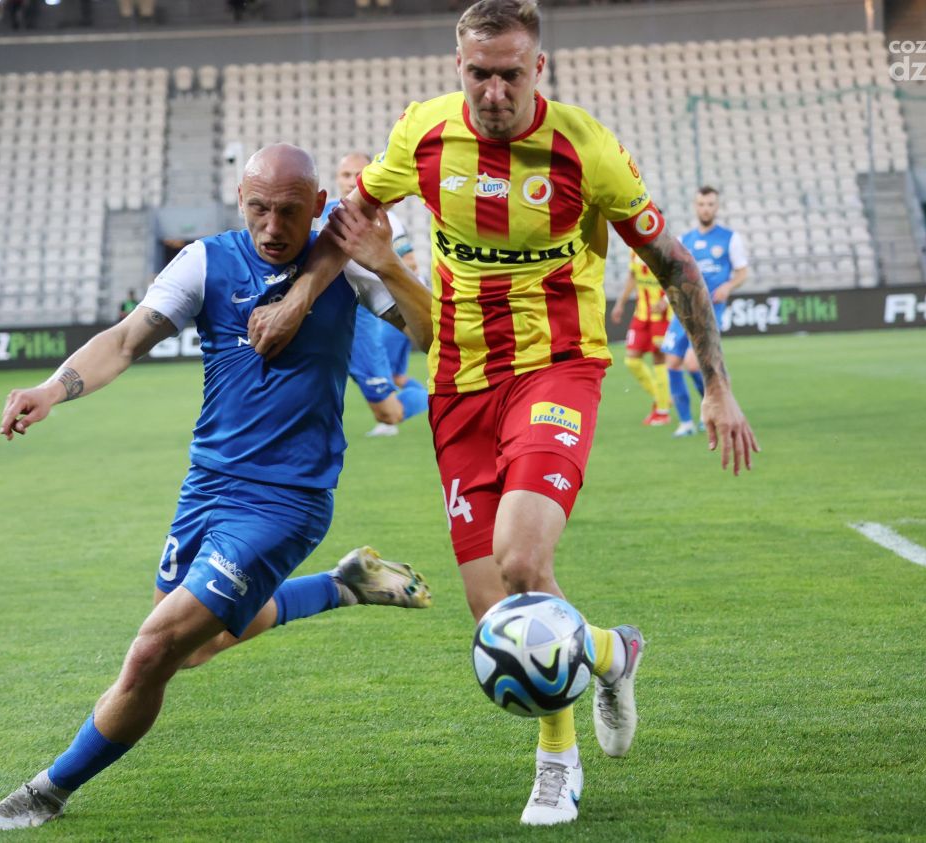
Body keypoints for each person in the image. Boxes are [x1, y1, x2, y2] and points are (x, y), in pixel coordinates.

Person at [247, 0, 759, 826]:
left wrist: (719, 385)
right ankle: (610, 650)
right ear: (459, 67)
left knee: (522, 563)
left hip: (557, 368)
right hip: (459, 382)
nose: (493, 91)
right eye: (479, 74)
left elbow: (675, 266)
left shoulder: (586, 151)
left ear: (537, 69)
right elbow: (346, 225)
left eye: (510, 74)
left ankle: (557, 764)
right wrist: (297, 300)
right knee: (495, 616)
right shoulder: (423, 133)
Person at [0, 144, 436, 831]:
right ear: (239, 201)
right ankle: (342, 585)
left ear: (317, 205)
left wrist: (391, 264)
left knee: (153, 650)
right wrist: (52, 388)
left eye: (289, 212)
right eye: (259, 209)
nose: (272, 227)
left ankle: (47, 789)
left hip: (286, 501)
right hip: (208, 486)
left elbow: (432, 336)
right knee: (194, 647)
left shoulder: (346, 266)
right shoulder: (205, 262)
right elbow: (125, 341)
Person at [325, 152, 429, 437]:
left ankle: (430, 398)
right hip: (323, 319)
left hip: (366, 318)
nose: (351, 181)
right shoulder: (323, 214)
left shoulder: (386, 220)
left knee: (389, 407)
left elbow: (409, 266)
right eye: (346, 175)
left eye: (358, 175)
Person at [661, 186, 748, 438]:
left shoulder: (730, 238)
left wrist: (728, 286)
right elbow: (675, 274)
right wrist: (667, 297)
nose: (706, 209)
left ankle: (711, 410)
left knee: (692, 362)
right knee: (672, 362)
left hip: (708, 311)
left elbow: (742, 272)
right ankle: (686, 422)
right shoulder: (684, 239)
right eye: (701, 204)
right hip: (683, 309)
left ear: (716, 207)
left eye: (710, 204)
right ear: (695, 206)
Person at [609, 248, 671, 425]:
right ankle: (662, 397)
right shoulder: (633, 249)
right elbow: (632, 276)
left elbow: (676, 278)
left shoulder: (664, 248)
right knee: (632, 360)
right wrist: (620, 303)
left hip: (661, 315)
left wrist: (666, 300)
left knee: (659, 356)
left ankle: (662, 412)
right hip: (641, 313)